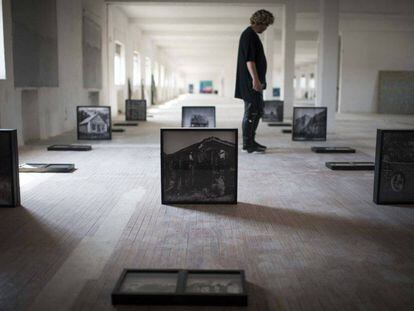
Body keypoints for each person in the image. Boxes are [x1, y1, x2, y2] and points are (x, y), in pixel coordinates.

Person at [235, 9, 274, 153]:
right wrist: (255, 80)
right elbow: (249, 61)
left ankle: (250, 141)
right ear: (259, 22)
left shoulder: (250, 35)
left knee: (255, 111)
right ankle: (248, 143)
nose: (265, 28)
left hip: (252, 81)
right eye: (265, 25)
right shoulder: (249, 36)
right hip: (251, 82)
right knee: (252, 112)